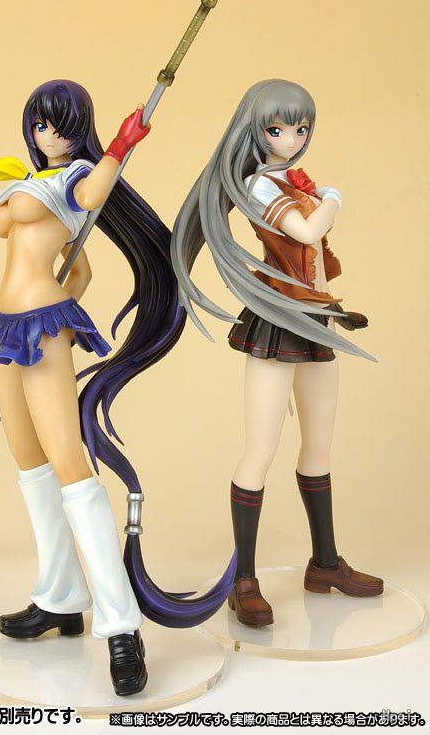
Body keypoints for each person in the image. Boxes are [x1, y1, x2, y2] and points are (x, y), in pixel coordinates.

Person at [0, 78, 184, 695]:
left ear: (79, 130)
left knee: (68, 463)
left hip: (39, 326)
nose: (51, 135)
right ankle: (60, 596)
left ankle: (121, 624)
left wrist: (118, 146)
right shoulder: (30, 177)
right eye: (42, 124)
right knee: (28, 459)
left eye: (62, 125)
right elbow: (79, 270)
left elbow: (91, 193)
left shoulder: (78, 175)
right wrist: (59, 294)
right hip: (3, 324)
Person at [171, 79, 383, 628]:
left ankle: (325, 564)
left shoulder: (292, 180)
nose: (291, 138)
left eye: (301, 128)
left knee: (319, 447)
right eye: (278, 129)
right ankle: (243, 580)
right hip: (278, 320)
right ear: (256, 131)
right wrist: (333, 198)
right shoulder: (259, 185)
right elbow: (308, 230)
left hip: (315, 317)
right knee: (260, 450)